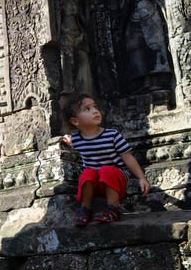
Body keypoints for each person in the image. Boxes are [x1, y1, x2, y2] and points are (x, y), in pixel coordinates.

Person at [63, 93, 151, 226]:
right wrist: (68, 141)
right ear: (75, 121)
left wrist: (141, 178)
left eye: (94, 107)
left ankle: (112, 208)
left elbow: (128, 157)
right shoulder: (76, 140)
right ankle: (85, 208)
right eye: (87, 109)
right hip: (95, 183)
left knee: (107, 170)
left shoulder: (112, 135)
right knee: (87, 173)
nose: (94, 111)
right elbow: (71, 142)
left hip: (115, 178)